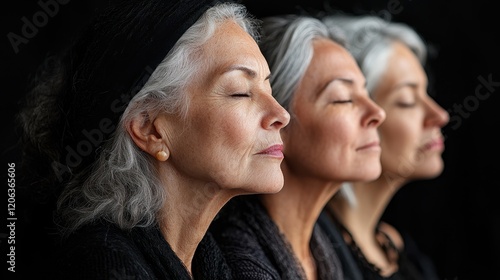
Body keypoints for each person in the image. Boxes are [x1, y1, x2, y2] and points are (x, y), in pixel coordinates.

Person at [16, 0, 291, 279]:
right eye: (240, 92)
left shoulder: (211, 262)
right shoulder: (104, 267)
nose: (281, 114)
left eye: (268, 88)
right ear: (150, 130)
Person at [210, 14, 386, 279]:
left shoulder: (328, 247)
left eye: (366, 93)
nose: (377, 113)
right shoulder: (238, 261)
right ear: (278, 122)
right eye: (342, 99)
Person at [318, 14, 450, 280]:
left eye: (427, 94)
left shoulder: (394, 244)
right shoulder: (318, 258)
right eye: (407, 101)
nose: (440, 115)